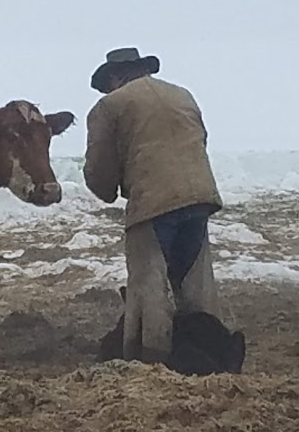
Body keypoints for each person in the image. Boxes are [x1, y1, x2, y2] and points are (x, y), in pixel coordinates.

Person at [84, 47, 223, 363]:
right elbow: (199, 139)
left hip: (152, 203)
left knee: (149, 289)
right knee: (196, 283)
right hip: (200, 196)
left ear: (115, 76)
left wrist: (107, 190)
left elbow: (99, 167)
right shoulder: (182, 95)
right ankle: (210, 355)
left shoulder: (109, 106)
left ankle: (150, 361)